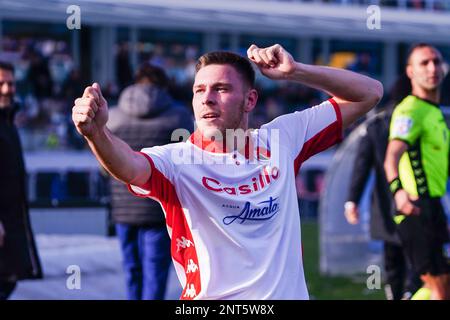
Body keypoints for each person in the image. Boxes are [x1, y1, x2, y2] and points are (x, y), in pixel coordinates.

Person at [72, 44, 383, 299]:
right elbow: (128, 166)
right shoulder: (176, 160)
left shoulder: (283, 138)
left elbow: (369, 92)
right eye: (199, 90)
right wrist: (97, 134)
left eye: (220, 89)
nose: (207, 98)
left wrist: (296, 71)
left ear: (250, 100)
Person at [107, 63, 193, 300]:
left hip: (123, 206)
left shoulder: (113, 117)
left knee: (131, 271)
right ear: (163, 85)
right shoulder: (179, 115)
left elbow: (106, 163)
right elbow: (186, 161)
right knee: (155, 274)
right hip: (159, 207)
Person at [344, 77, 421, 299]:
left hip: (385, 205)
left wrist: (352, 201)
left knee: (392, 259)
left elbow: (362, 165)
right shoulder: (419, 119)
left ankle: (397, 293)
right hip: (415, 202)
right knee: (416, 258)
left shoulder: (376, 125)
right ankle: (409, 292)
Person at [384, 43, 450, 300]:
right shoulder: (410, 110)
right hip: (415, 209)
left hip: (433, 208)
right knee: (440, 288)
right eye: (424, 63)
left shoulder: (435, 113)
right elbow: (392, 157)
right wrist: (398, 193)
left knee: (441, 287)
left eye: (436, 61)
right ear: (410, 71)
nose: (432, 68)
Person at [0, 61, 43, 300]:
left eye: (11, 84)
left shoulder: (9, 121)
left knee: (10, 281)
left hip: (13, 222)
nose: (7, 90)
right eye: (1, 84)